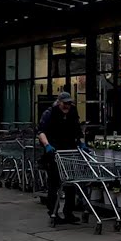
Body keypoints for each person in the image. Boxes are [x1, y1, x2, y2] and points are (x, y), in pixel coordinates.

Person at [39, 91, 87, 224]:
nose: (67, 106)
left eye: (69, 103)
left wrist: (82, 143)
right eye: (65, 103)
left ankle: (68, 212)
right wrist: (47, 145)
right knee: (54, 184)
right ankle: (53, 212)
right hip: (54, 152)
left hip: (69, 151)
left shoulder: (72, 113)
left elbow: (78, 130)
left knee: (71, 183)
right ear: (59, 102)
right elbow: (41, 131)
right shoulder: (50, 114)